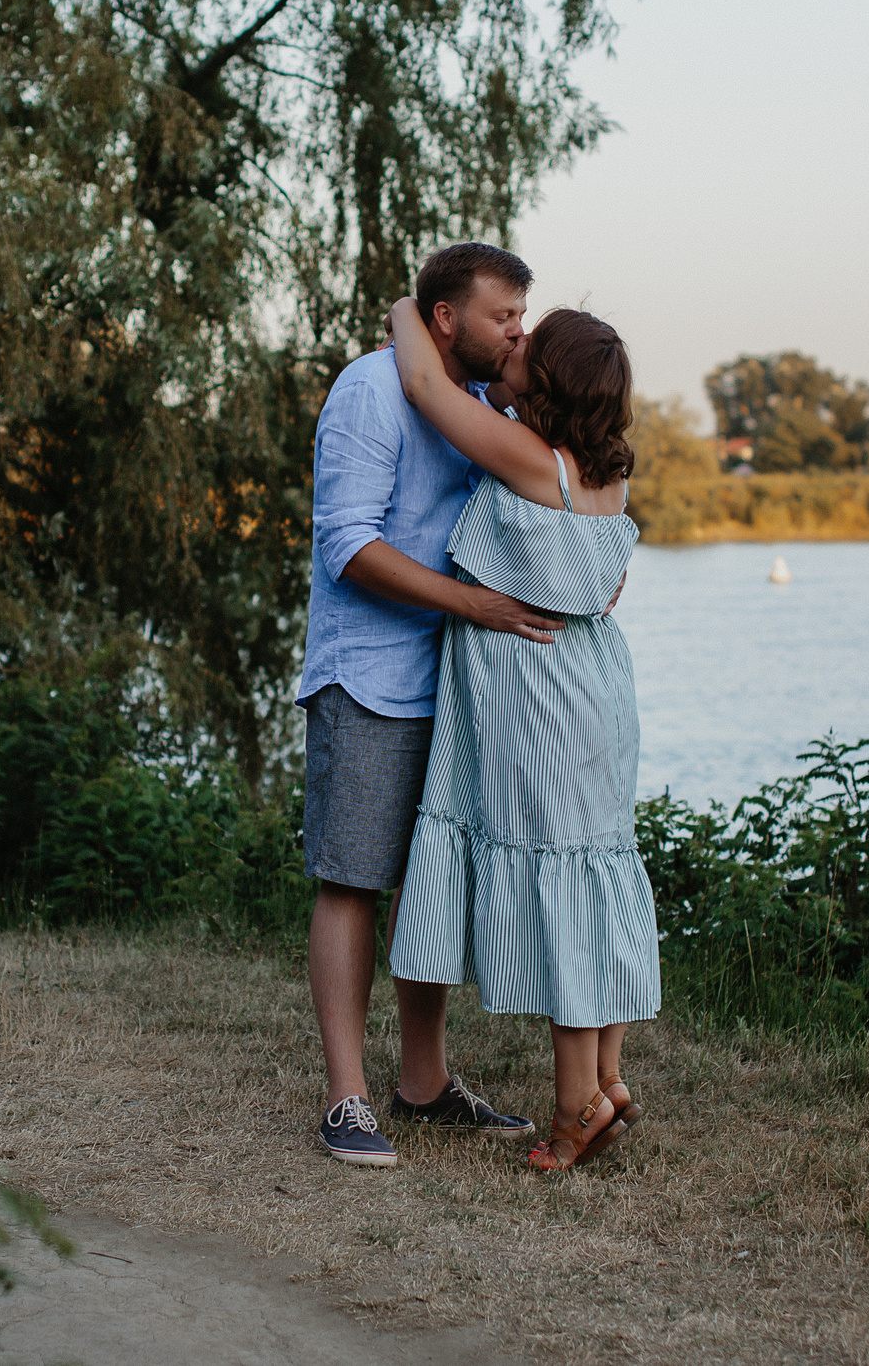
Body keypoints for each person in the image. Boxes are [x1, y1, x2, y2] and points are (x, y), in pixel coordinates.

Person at [297, 243, 564, 1168]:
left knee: (432, 882)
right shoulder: (370, 393)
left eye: (523, 316)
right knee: (352, 878)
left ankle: (423, 1084)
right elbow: (349, 549)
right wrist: (479, 606)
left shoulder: (483, 404)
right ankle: (347, 1098)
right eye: (504, 316)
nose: (517, 332)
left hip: (455, 680)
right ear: (446, 318)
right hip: (367, 674)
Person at [383, 297, 661, 1172]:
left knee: (563, 883)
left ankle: (574, 1107)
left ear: (551, 380)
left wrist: (409, 305)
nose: (513, 338)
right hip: (594, 689)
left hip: (541, 697)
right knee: (592, 868)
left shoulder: (534, 461)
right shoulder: (601, 472)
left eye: (528, 340)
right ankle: (607, 1079)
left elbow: (427, 385)